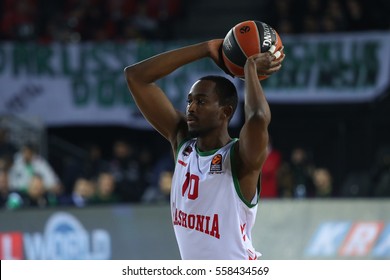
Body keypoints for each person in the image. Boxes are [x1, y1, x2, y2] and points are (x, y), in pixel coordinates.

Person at [124, 39, 284, 259]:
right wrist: (206, 49)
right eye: (189, 101)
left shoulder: (239, 157)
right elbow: (136, 76)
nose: (190, 108)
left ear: (225, 112)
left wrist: (250, 71)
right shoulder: (182, 143)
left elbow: (258, 117)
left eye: (200, 101)